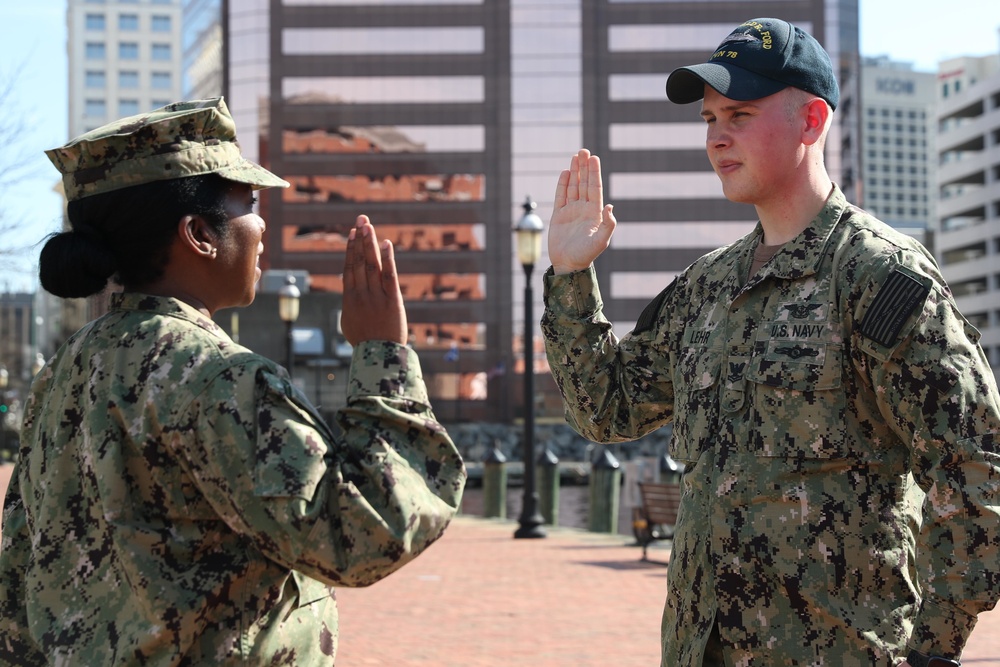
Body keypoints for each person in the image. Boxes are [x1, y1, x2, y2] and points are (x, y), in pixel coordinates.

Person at [541, 18, 1000, 667]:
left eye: (739, 113)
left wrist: (931, 649)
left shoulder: (878, 277)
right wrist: (568, 276)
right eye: (708, 118)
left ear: (812, 120)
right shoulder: (706, 285)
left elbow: (975, 469)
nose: (717, 136)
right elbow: (606, 409)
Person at [0, 98, 466, 665]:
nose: (262, 222)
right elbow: (366, 534)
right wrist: (383, 353)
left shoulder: (66, 370)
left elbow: (20, 575)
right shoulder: (218, 377)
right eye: (248, 202)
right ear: (199, 233)